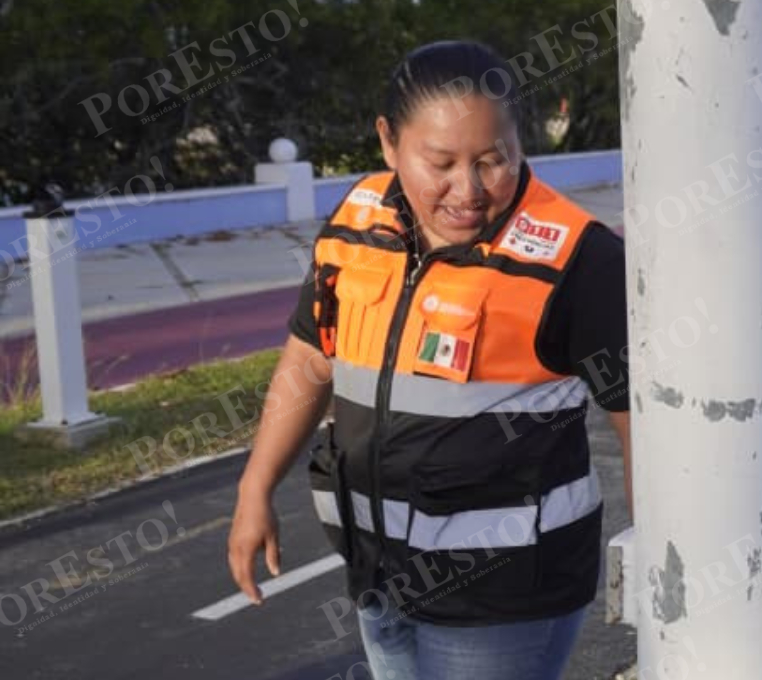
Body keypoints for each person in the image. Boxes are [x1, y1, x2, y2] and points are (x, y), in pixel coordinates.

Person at [226, 41, 633, 680]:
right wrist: (256, 487)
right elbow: (311, 355)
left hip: (503, 597)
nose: (467, 190)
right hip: (377, 578)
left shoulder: (578, 261)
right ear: (388, 142)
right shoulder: (356, 223)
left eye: (492, 160)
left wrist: (657, 553)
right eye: (440, 162)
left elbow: (639, 419)